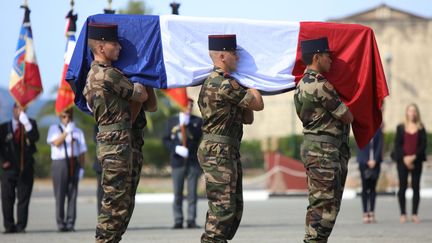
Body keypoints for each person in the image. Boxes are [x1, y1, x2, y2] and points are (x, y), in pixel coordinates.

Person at [83, 22, 153, 242]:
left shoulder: (103, 74)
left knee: (122, 204)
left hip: (120, 142)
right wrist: (140, 75)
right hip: (116, 146)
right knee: (114, 203)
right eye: (115, 44)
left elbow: (148, 104)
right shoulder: (107, 75)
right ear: (101, 47)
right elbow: (140, 95)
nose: (120, 48)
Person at [197, 34, 264, 243]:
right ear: (223, 56)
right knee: (223, 208)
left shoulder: (229, 84)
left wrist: (243, 87)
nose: (238, 58)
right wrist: (253, 81)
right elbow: (258, 104)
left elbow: (248, 118)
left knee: (232, 208)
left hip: (226, 150)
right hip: (219, 150)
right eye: (234, 54)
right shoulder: (223, 84)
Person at [293, 37, 353, 242]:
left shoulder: (301, 84)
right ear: (316, 57)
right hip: (324, 151)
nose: (331, 60)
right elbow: (346, 115)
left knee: (320, 204)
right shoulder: (320, 85)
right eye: (328, 56)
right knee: (325, 208)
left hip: (316, 149)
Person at [163, 98, 203, 229]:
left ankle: (191, 219)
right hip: (177, 161)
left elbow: (197, 137)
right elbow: (166, 140)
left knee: (192, 194)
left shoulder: (197, 121)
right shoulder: (172, 121)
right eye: (186, 106)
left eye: (191, 106)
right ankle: (178, 220)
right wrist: (175, 148)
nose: (189, 108)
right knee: (177, 193)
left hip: (192, 161)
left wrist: (188, 126)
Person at [0, 103, 39, 233]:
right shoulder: (4, 127)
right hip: (9, 169)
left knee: (23, 198)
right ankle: (9, 226)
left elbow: (35, 138)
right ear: (13, 109)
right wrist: (2, 162)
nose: (20, 111)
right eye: (18, 109)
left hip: (25, 168)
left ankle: (21, 226)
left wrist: (26, 124)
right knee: (7, 198)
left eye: (23, 109)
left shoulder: (30, 123)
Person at [47, 108, 87, 232]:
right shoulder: (54, 129)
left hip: (73, 162)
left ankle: (70, 223)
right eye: (64, 116)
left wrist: (81, 168)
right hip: (59, 164)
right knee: (60, 194)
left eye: (69, 116)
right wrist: (66, 133)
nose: (67, 119)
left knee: (72, 194)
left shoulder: (77, 131)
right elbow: (56, 143)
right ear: (60, 116)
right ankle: (61, 223)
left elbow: (82, 152)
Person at [392, 103, 427, 224]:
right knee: (402, 188)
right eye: (410, 111)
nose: (412, 113)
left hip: (416, 161)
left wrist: (413, 157)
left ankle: (415, 214)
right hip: (402, 161)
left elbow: (423, 145)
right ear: (406, 113)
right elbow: (397, 144)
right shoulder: (400, 127)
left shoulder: (421, 127)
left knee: (416, 188)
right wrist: (405, 158)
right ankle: (403, 213)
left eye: (414, 111)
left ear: (417, 113)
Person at [357, 126, 384, 224]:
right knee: (365, 188)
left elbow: (380, 145)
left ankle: (372, 212)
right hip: (364, 163)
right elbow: (360, 145)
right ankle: (365, 213)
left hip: (376, 163)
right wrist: (366, 160)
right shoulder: (361, 128)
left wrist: (375, 160)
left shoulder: (378, 129)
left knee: (373, 188)